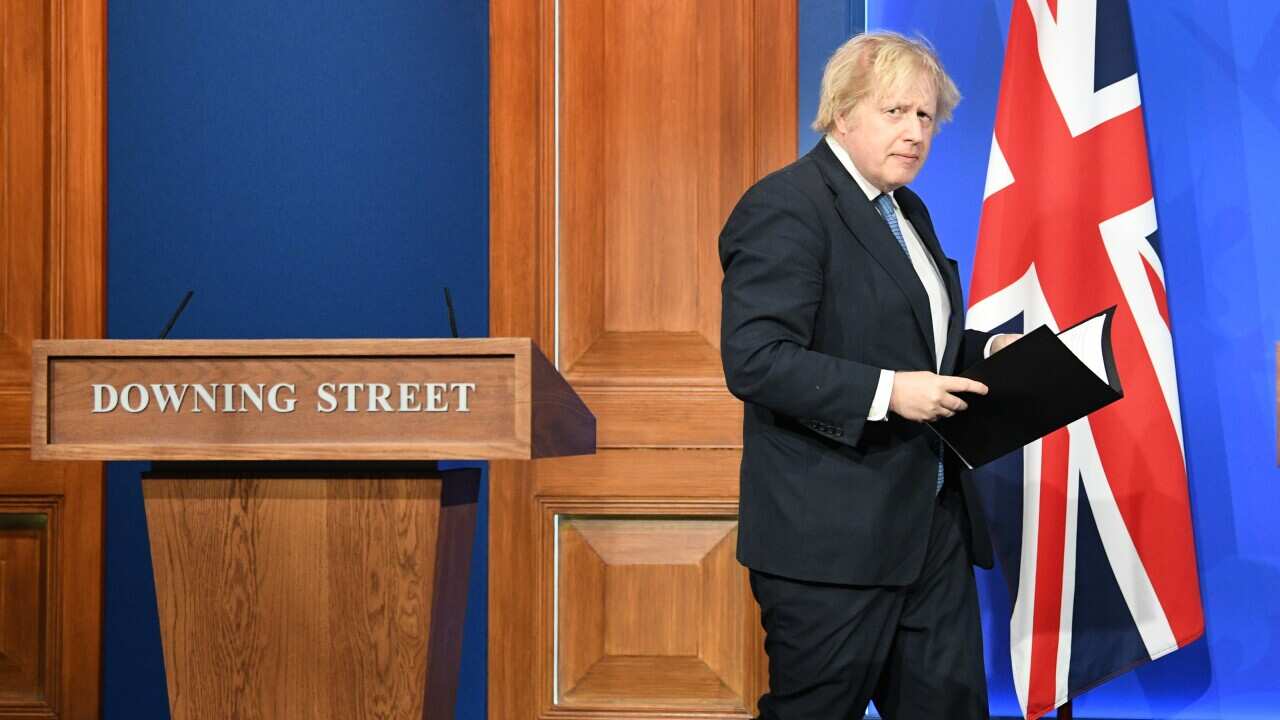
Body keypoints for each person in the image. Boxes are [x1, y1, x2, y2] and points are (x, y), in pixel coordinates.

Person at [719, 31, 1017, 719]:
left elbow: (902, 338)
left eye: (925, 117)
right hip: (830, 545)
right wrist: (890, 393)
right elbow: (757, 358)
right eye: (895, 112)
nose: (915, 132)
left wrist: (979, 355)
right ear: (842, 113)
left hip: (931, 529)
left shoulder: (907, 209)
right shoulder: (787, 206)